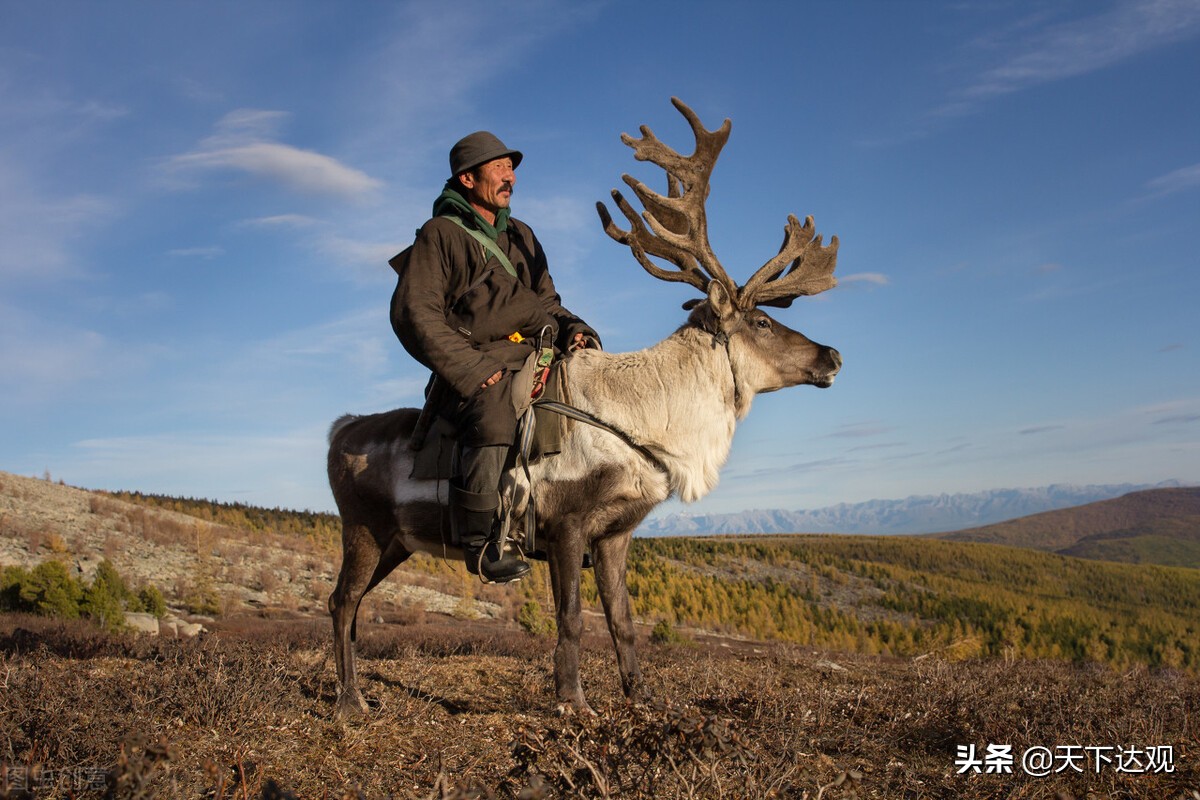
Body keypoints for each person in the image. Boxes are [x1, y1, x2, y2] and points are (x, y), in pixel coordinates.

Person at [390, 131, 600, 584]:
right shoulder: (440, 235)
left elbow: (548, 302)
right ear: (467, 178)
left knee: (577, 406)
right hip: (478, 365)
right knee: (496, 412)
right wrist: (472, 368)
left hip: (535, 352)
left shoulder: (522, 235)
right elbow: (414, 313)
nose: (511, 176)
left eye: (512, 167)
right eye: (499, 167)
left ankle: (545, 529)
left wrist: (576, 330)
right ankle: (479, 542)